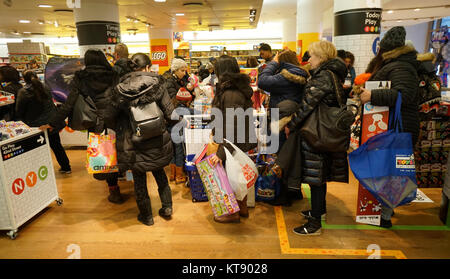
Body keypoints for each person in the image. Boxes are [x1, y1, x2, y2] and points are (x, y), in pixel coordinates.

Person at [284, 41, 349, 235]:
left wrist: (291, 124)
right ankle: (318, 211)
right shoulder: (333, 75)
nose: (309, 60)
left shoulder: (322, 77)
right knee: (319, 176)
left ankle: (314, 224)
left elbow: (306, 107)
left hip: (316, 133)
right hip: (326, 132)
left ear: (321, 57)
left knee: (316, 178)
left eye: (311, 56)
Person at [43, 49, 124, 204]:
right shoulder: (114, 75)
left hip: (95, 123)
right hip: (115, 119)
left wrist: (54, 122)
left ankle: (114, 190)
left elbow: (69, 104)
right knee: (120, 150)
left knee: (104, 156)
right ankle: (124, 175)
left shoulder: (81, 78)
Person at [359, 26, 420, 228]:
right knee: (390, 170)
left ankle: (384, 215)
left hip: (397, 129)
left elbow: (404, 95)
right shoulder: (400, 64)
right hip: (395, 128)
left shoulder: (401, 67)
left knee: (389, 171)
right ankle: (386, 209)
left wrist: (372, 95)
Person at [108, 53, 175, 226]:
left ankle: (146, 216)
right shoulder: (158, 83)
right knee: (159, 173)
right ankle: (167, 207)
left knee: (139, 180)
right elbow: (171, 113)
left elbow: (111, 117)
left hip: (134, 141)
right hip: (157, 138)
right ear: (147, 67)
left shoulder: (120, 88)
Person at [209, 55, 257, 223]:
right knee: (237, 175)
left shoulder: (229, 93)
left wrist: (221, 152)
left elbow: (231, 126)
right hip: (238, 142)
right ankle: (242, 209)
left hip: (232, 142)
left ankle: (232, 213)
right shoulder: (235, 89)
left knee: (230, 176)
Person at [257, 49, 309, 205]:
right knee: (290, 156)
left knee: (281, 157)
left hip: (281, 120)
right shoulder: (298, 73)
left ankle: (284, 194)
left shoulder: (287, 75)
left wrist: (273, 63)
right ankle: (293, 190)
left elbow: (263, 80)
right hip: (290, 118)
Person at [16, 70, 71, 173]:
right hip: (51, 123)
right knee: (57, 146)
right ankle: (66, 167)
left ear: (24, 79)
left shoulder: (23, 92)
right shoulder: (45, 87)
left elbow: (19, 110)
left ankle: (42, 172)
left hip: (36, 126)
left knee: (38, 150)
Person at [169, 87, 194, 184]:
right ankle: (179, 176)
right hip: (179, 135)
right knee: (180, 153)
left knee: (173, 153)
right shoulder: (186, 110)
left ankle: (172, 174)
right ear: (186, 101)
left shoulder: (172, 107)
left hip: (170, 132)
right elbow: (196, 113)